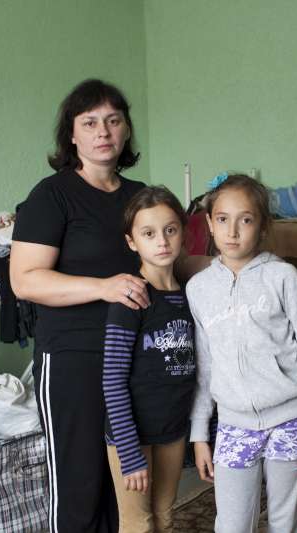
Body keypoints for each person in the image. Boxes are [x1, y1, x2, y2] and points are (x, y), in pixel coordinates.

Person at [10, 78, 149, 533]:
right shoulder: (51, 196)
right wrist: (103, 287)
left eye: (113, 120)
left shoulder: (140, 197)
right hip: (72, 355)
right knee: (79, 481)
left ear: (126, 129)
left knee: (125, 482)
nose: (103, 131)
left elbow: (168, 261)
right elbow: (25, 281)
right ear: (72, 135)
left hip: (132, 355)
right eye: (89, 122)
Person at [187, 174, 297, 533]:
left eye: (246, 219)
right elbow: (205, 367)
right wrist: (199, 434)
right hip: (234, 424)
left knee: (286, 522)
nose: (233, 231)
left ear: (263, 226)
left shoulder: (282, 277)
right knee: (232, 524)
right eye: (222, 219)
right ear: (209, 223)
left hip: (291, 420)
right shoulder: (198, 288)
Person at [102, 186, 196, 532]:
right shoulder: (131, 299)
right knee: (139, 524)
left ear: (182, 233)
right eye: (149, 233)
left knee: (165, 516)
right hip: (132, 436)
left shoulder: (189, 296)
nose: (162, 241)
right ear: (132, 241)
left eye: (170, 230)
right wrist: (128, 452)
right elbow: (112, 380)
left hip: (172, 431)